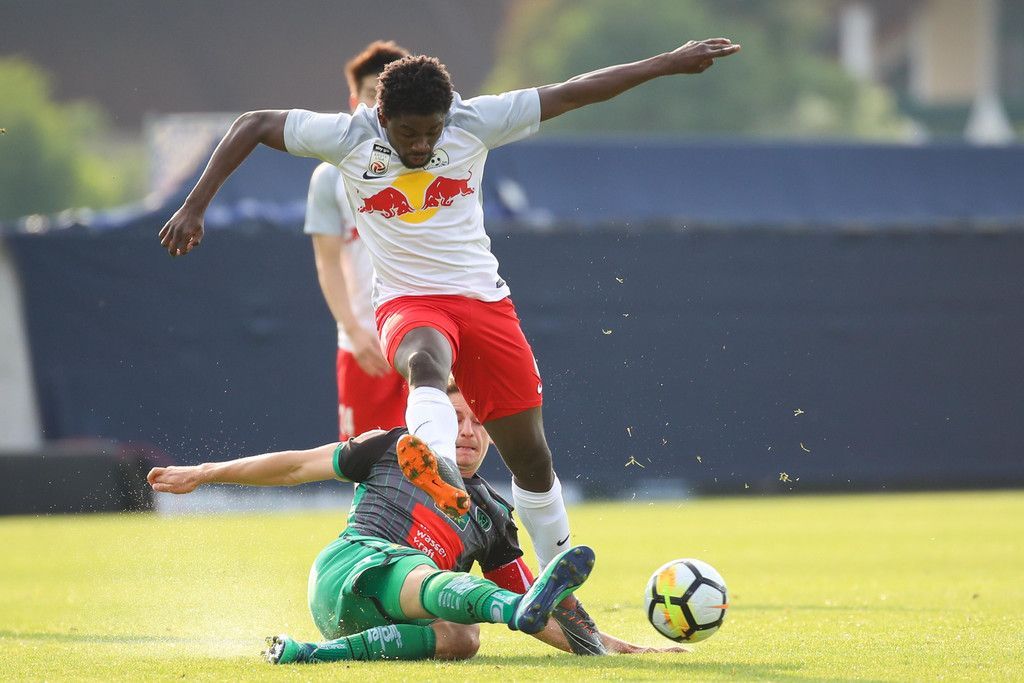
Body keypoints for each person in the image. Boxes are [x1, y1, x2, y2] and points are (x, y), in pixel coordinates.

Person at [158, 39, 742, 572]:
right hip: (407, 302)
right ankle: (435, 468)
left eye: (431, 133)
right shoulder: (348, 136)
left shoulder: (473, 121)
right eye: (408, 133)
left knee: (532, 460)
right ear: (382, 116)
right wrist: (195, 205)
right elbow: (254, 123)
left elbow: (571, 92)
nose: (421, 145)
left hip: (484, 302)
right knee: (425, 360)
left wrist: (666, 63)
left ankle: (557, 583)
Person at [147, 381, 686, 663]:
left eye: (480, 422)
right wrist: (204, 472)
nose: (468, 432)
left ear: (493, 433)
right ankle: (507, 610)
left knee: (465, 638)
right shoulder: (392, 446)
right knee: (440, 580)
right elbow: (295, 466)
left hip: (381, 622)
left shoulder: (495, 516)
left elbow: (547, 609)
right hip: (351, 567)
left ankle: (312, 655)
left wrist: (624, 649)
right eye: (456, 418)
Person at [305, 40, 411, 441]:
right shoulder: (330, 177)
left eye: (388, 97)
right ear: (354, 101)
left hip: (424, 333)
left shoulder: (431, 163)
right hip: (365, 346)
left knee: (440, 455)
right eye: (370, 95)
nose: (378, 107)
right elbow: (327, 261)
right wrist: (352, 329)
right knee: (364, 459)